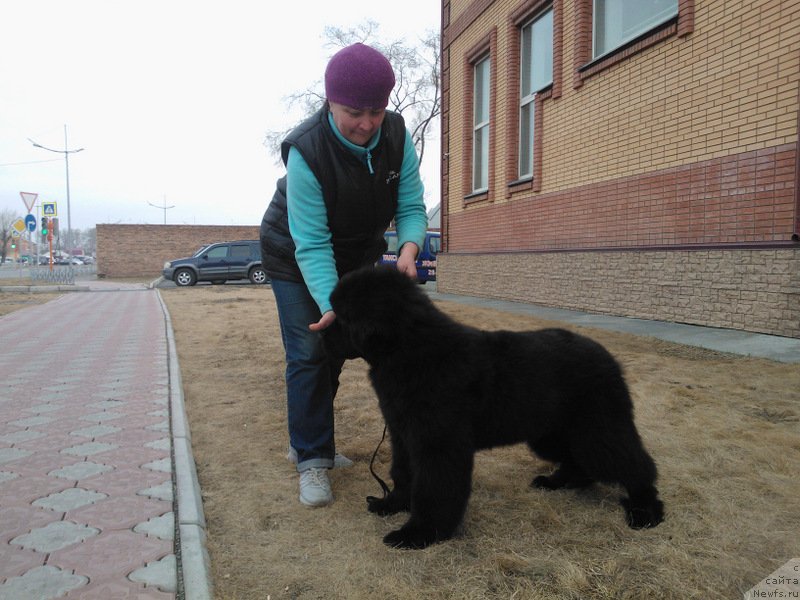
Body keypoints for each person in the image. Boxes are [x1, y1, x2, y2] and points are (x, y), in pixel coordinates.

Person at [260, 43, 429, 507]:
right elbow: (311, 244)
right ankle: (313, 459)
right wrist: (333, 304)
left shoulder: (396, 135)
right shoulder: (306, 150)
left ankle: (313, 442)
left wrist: (409, 251)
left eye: (377, 110)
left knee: (335, 353)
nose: (367, 123)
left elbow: (412, 206)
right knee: (311, 349)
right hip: (294, 256)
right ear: (330, 101)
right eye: (355, 111)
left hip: (356, 253)